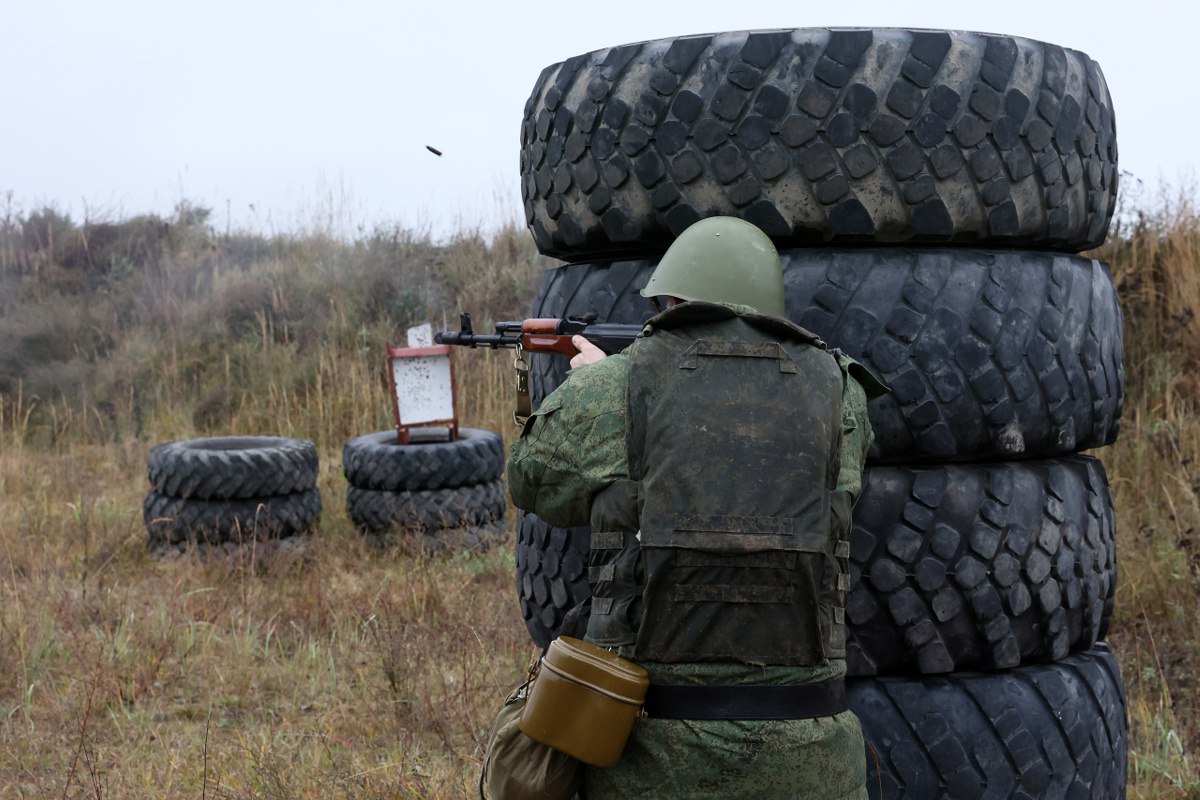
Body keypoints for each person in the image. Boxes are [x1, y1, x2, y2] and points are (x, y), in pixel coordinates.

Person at [507, 216, 886, 799]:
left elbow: (530, 479)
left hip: (651, 758)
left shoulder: (615, 386)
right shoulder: (843, 390)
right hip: (813, 757)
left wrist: (591, 381)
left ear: (674, 300)